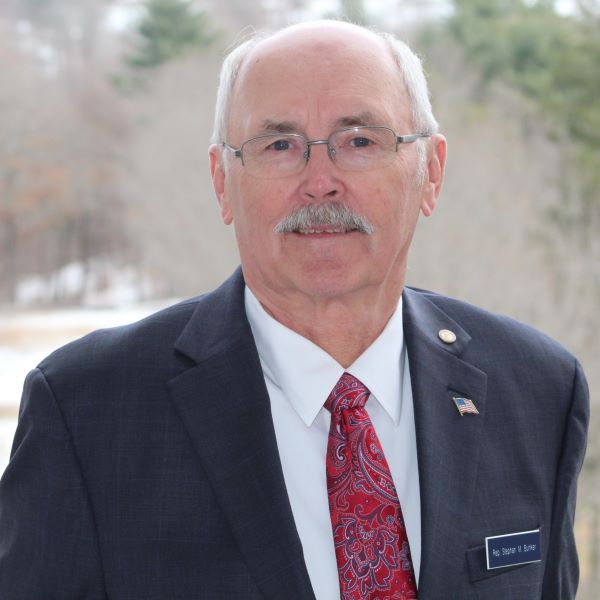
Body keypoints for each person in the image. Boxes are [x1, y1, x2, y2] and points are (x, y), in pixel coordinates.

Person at [0, 20, 589, 600]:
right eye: (279, 145)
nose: (321, 182)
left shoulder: (537, 391)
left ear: (430, 173)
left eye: (360, 140)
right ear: (222, 181)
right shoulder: (87, 412)